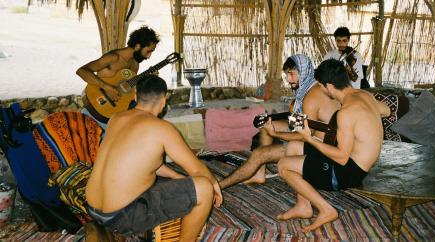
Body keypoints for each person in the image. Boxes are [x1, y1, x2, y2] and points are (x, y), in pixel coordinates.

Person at [85, 75, 222, 240]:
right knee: (203, 188)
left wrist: (178, 177)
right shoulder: (162, 128)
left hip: (92, 210)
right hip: (122, 217)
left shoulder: (116, 118)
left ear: (136, 96)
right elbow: (197, 169)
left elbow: (147, 162)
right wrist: (214, 186)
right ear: (164, 101)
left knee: (173, 182)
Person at [276, 59, 390, 232]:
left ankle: (326, 209)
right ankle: (303, 206)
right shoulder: (364, 96)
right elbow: (387, 110)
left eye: (321, 86)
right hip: (359, 161)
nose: (320, 90)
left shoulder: (346, 113)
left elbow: (342, 158)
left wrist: (310, 139)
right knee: (292, 147)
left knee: (283, 166)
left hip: (348, 172)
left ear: (328, 86)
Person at [219, 54, 340, 189]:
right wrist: (275, 125)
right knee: (267, 124)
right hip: (311, 138)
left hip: (318, 150)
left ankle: (219, 186)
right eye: (286, 74)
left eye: (291, 74)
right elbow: (298, 125)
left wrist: (276, 134)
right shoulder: (307, 91)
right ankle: (259, 173)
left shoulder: (311, 97)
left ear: (304, 72)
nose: (288, 79)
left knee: (259, 154)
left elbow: (303, 135)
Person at [76, 26, 160, 127]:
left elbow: (129, 89)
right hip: (93, 111)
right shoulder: (113, 58)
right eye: (148, 51)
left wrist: (147, 79)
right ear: (138, 46)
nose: (149, 56)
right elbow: (81, 71)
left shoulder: (135, 64)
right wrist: (106, 87)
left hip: (113, 116)